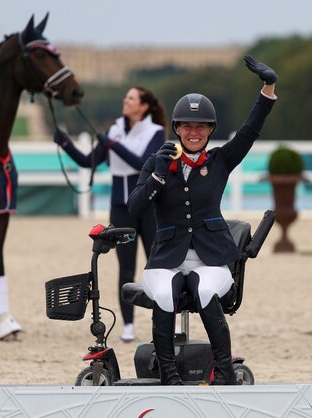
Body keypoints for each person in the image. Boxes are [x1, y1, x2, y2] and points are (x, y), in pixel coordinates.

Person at [127, 56, 278, 385]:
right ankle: (169, 376)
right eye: (187, 126)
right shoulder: (157, 161)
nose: (193, 133)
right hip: (166, 258)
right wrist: (155, 178)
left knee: (205, 290)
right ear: (177, 129)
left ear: (210, 130)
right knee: (165, 296)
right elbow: (134, 209)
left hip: (210, 257)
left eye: (201, 127)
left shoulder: (221, 160)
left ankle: (223, 373)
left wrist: (268, 89)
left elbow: (250, 131)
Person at [53, 86, 167, 342]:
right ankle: (127, 324)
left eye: (131, 98)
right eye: (125, 97)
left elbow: (143, 163)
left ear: (144, 106)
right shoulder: (114, 129)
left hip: (149, 206)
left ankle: (161, 320)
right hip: (121, 207)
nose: (125, 101)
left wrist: (113, 145)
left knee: (157, 265)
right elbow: (87, 160)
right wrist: (64, 142)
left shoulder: (155, 133)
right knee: (125, 267)